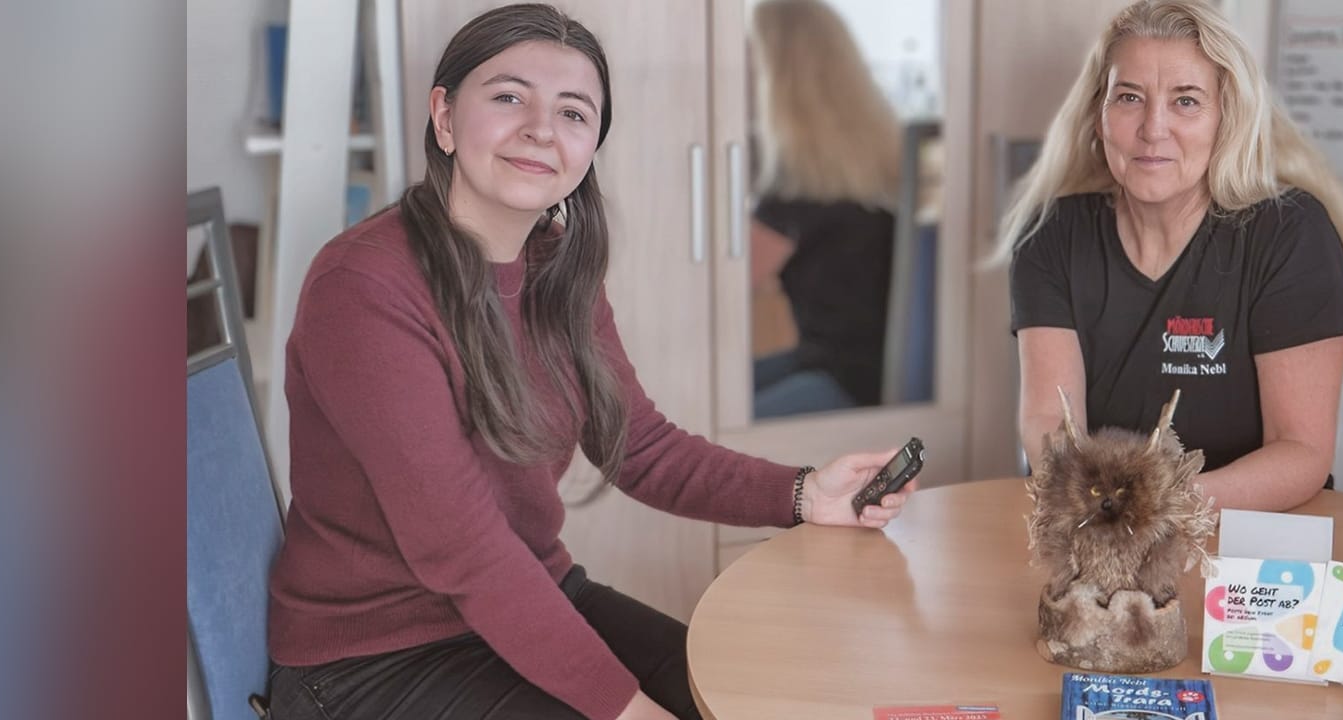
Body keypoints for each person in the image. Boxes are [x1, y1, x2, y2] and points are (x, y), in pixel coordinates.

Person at [262, 6, 919, 720]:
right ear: (445, 118)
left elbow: (640, 446)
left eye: (573, 113)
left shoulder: (554, 265)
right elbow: (462, 550)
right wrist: (628, 712)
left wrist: (803, 495)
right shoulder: (364, 287)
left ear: (588, 150)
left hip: (529, 598)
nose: (541, 128)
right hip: (377, 663)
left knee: (747, 698)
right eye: (509, 96)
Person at [995, 0, 1343, 513]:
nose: (1153, 128)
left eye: (1186, 101)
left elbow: (1302, 451)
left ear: (1227, 119)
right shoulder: (1050, 236)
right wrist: (1100, 524)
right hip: (1099, 536)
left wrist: (1149, 510)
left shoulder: (1289, 235)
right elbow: (1051, 423)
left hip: (1247, 544)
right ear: (1099, 116)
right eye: (1129, 97)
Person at [746, 0, 902, 418]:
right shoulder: (876, 162)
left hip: (840, 381)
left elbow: (725, 285)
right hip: (860, 370)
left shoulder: (796, 187)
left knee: (699, 421)